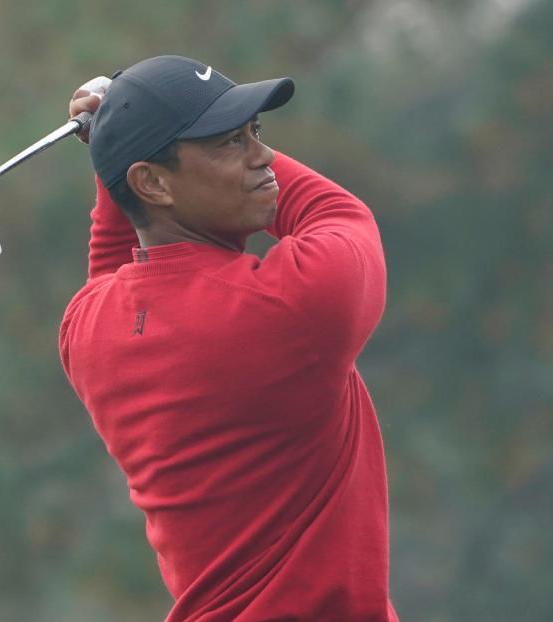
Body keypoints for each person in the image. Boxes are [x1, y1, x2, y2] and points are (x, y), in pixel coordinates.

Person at [59, 55, 398, 621]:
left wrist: (112, 154)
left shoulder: (87, 331)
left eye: (255, 132)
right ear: (153, 182)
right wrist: (114, 145)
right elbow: (336, 212)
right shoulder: (294, 305)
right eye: (227, 144)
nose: (264, 156)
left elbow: (118, 261)